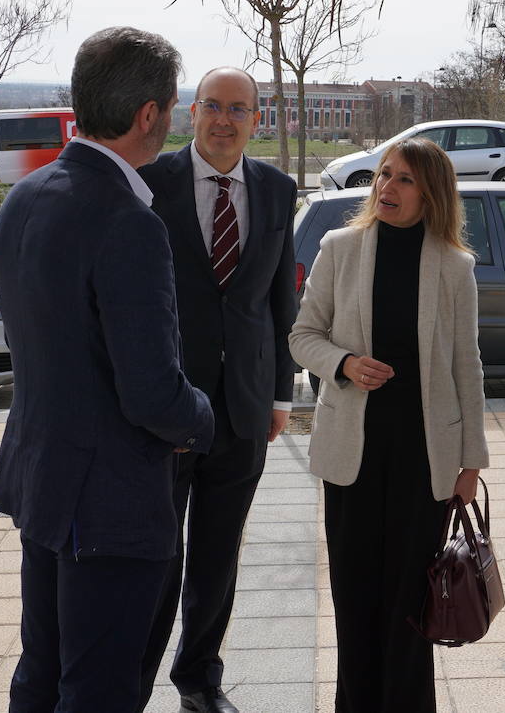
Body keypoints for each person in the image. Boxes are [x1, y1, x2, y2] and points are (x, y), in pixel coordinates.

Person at [0, 26, 215, 713]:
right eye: (171, 107)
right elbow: (151, 392)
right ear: (148, 115)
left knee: (41, 673)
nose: (172, 119)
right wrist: (202, 419)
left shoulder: (28, 194)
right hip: (109, 502)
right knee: (98, 690)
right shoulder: (126, 220)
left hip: (44, 479)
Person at [289, 137, 488, 713]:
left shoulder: (454, 266)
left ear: (431, 193)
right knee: (354, 601)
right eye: (383, 175)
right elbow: (303, 336)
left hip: (424, 459)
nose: (386, 187)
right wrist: (344, 364)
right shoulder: (340, 248)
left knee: (409, 604)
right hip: (351, 454)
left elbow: (467, 366)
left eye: (403, 179)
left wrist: (470, 462)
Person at [137, 67, 298, 713]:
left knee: (217, 557)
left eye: (238, 109)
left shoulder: (277, 190)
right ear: (192, 113)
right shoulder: (149, 183)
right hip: (167, 407)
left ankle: (199, 678)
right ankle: (131, 681)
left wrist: (281, 395)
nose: (224, 120)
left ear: (257, 119)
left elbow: (280, 301)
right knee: (156, 556)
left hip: (244, 408)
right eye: (213, 106)